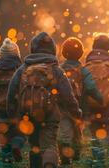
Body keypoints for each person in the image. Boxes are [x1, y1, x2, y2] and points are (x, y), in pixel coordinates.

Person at [7, 32, 82, 168]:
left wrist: (11, 112)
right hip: (50, 115)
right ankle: (49, 164)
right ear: (53, 50)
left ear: (33, 49)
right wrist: (76, 112)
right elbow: (68, 95)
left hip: (27, 115)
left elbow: (11, 91)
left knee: (34, 145)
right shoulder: (56, 70)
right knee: (49, 145)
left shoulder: (23, 69)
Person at [59, 37, 103, 164]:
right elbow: (90, 87)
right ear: (81, 53)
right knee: (78, 131)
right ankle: (76, 154)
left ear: (64, 52)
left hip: (63, 106)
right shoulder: (83, 70)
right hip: (79, 106)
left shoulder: (59, 69)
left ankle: (65, 156)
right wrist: (100, 99)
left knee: (64, 130)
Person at [0, 38, 24, 163]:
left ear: (1, 55)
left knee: (4, 143)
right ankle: (16, 145)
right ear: (17, 54)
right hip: (16, 112)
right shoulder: (21, 68)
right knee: (20, 135)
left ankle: (6, 161)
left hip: (1, 112)